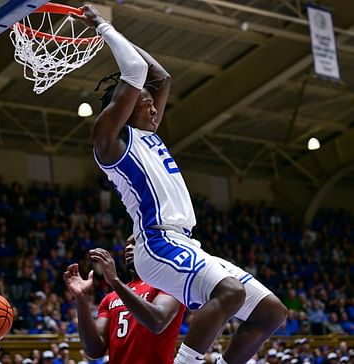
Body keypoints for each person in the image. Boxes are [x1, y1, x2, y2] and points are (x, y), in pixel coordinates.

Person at [75, 5, 287, 364]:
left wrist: (122, 36)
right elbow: (137, 71)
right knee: (231, 292)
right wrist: (101, 26)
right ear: (123, 108)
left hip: (186, 241)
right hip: (156, 243)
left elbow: (163, 77)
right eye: (146, 104)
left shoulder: (147, 132)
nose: (155, 110)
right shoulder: (110, 140)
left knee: (271, 313)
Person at [64, 234, 185, 364]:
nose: (128, 248)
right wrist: (81, 299)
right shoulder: (110, 298)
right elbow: (94, 351)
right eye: (127, 245)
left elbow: (158, 321)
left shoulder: (168, 283)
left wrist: (115, 281)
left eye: (135, 243)